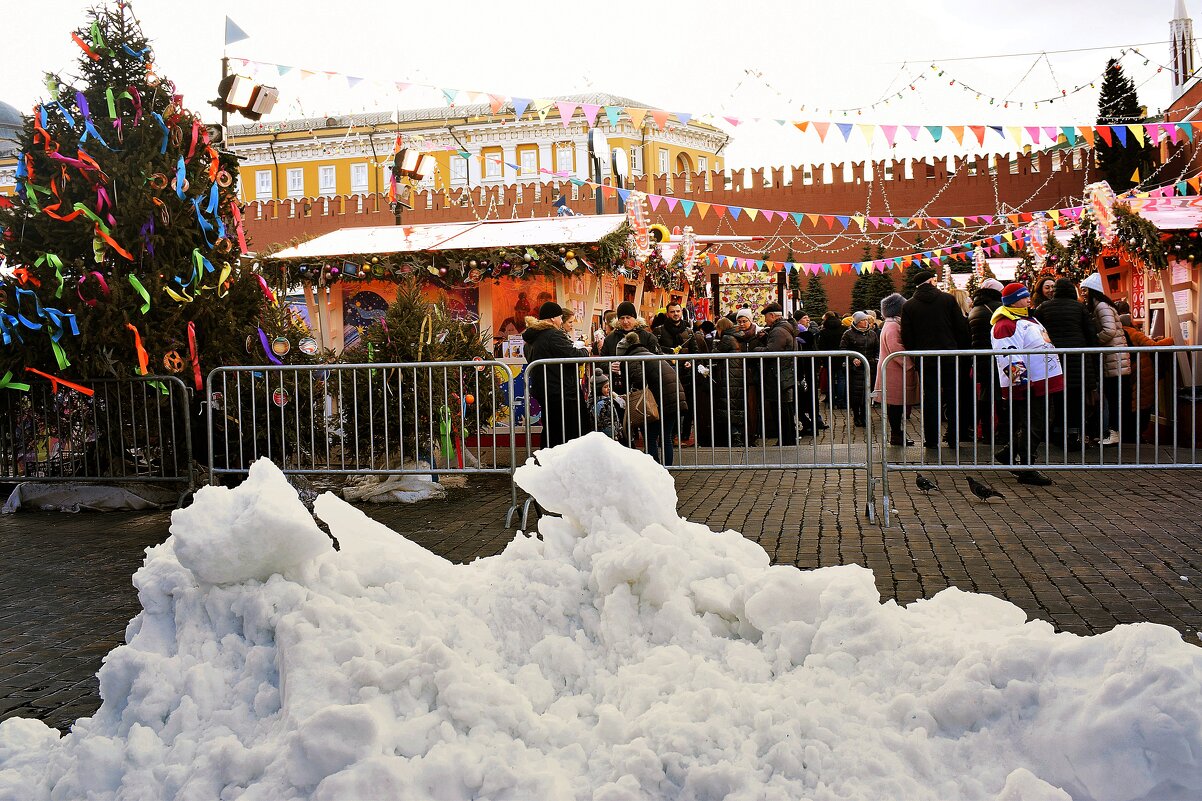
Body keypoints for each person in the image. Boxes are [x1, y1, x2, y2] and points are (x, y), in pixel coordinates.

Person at [991, 283, 1062, 486]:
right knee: (1036, 423)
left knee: (1041, 421)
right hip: (1030, 382)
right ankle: (1026, 467)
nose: (1028, 299)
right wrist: (1021, 383)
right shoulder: (1006, 324)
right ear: (1013, 300)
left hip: (1043, 379)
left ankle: (1010, 453)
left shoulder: (1027, 318)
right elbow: (1008, 355)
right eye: (1024, 296)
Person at [901, 269, 971, 449]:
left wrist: (915, 355)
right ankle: (954, 437)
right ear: (932, 281)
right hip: (949, 356)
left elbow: (907, 337)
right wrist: (961, 351)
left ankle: (931, 439)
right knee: (953, 395)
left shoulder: (909, 305)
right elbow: (960, 328)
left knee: (930, 398)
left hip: (925, 359)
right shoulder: (947, 300)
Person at [1033, 278, 1098, 448]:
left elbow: (1036, 329)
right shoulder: (1079, 307)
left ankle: (1055, 433)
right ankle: (1073, 435)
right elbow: (1091, 334)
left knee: (1056, 399)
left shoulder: (1044, 307)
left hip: (1053, 360)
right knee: (1076, 400)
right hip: (1078, 360)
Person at [522, 301, 593, 449]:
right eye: (560, 317)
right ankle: (562, 462)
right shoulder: (553, 335)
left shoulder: (532, 338)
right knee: (567, 430)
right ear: (553, 318)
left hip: (546, 389)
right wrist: (586, 350)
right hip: (561, 390)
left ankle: (547, 461)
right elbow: (573, 356)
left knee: (552, 428)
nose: (561, 321)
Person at [617, 330, 686, 465]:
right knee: (666, 437)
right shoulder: (648, 354)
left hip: (658, 401)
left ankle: (655, 472)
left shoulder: (632, 360)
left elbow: (639, 382)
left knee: (650, 438)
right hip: (673, 398)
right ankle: (667, 471)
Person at [1080, 272, 1131, 446]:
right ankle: (1114, 431)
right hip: (1114, 360)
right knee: (1114, 397)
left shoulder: (1101, 307)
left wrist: (1094, 343)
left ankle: (1114, 432)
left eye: (1085, 290)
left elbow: (1109, 331)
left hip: (1114, 360)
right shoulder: (1102, 306)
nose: (1083, 294)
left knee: (1114, 397)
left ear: (1093, 291)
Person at [1120, 313, 1173, 443]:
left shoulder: (1121, 334)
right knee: (1142, 404)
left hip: (1130, 373)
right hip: (1143, 374)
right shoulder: (1135, 333)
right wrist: (1171, 340)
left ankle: (1131, 435)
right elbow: (1153, 347)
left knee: (1132, 403)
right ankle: (1137, 436)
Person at [752, 302, 798, 445]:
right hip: (783, 374)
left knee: (781, 409)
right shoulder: (783, 329)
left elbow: (772, 351)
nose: (765, 321)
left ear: (772, 316)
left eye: (766, 317)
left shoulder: (778, 331)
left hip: (778, 375)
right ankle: (788, 438)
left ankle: (786, 439)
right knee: (785, 407)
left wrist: (756, 350)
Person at [875, 293, 917, 445]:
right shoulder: (893, 326)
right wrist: (911, 365)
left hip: (892, 370)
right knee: (896, 406)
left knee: (895, 406)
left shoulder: (890, 324)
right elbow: (896, 349)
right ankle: (897, 435)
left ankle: (897, 434)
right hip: (895, 372)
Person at [967, 278, 1006, 444]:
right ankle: (1003, 432)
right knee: (1001, 395)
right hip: (998, 357)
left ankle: (986, 432)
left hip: (981, 358)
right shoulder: (998, 308)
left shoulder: (975, 309)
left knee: (985, 393)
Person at [602, 301, 661, 393]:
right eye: (622, 318)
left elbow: (658, 359)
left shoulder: (648, 337)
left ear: (635, 318)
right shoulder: (610, 339)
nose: (625, 321)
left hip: (644, 386)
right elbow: (601, 362)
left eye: (628, 317)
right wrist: (610, 366)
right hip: (618, 387)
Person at [707, 317, 745, 446]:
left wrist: (714, 345)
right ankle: (737, 436)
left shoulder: (727, 338)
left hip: (729, 376)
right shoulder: (738, 336)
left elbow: (715, 354)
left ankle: (734, 438)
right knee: (735, 406)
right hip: (737, 375)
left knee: (729, 407)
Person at [841, 311, 879, 427]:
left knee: (867, 392)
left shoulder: (872, 334)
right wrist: (853, 358)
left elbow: (877, 349)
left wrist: (875, 359)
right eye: (862, 320)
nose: (865, 322)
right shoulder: (848, 334)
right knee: (855, 394)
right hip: (855, 369)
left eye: (866, 320)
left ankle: (864, 415)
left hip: (869, 367)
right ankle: (856, 416)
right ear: (857, 322)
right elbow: (843, 349)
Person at [816, 311, 847, 409]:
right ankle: (841, 401)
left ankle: (832, 401)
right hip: (841, 357)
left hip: (828, 358)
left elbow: (821, 346)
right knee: (841, 379)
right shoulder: (844, 329)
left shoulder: (823, 332)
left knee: (830, 379)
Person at [591, 368, 624, 442]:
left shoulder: (594, 400)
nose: (608, 389)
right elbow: (605, 422)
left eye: (609, 386)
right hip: (608, 436)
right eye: (605, 387)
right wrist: (615, 434)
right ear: (598, 389)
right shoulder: (603, 403)